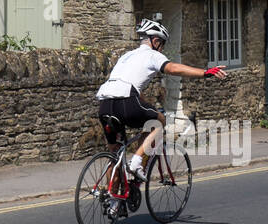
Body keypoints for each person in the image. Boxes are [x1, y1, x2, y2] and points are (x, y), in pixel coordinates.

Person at [96, 18, 226, 181]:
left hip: (105, 106)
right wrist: (205, 72)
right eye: (162, 44)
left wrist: (146, 105)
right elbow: (172, 68)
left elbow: (130, 88)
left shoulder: (126, 57)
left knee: (115, 154)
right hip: (126, 102)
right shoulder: (152, 55)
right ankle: (137, 162)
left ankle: (113, 202)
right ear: (155, 40)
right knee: (159, 122)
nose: (162, 48)